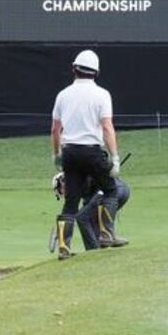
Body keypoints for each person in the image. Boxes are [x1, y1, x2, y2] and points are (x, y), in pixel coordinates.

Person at [50, 49, 123, 260]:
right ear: (96, 72)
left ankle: (64, 247)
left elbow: (55, 130)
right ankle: (106, 234)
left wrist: (56, 154)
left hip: (70, 152)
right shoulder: (102, 94)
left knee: (71, 201)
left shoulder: (63, 95)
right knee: (110, 190)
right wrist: (115, 157)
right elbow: (107, 127)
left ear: (74, 69)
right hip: (91, 151)